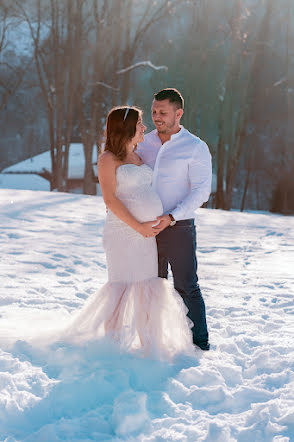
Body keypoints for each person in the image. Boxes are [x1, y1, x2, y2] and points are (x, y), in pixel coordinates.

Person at [60, 106, 194, 361]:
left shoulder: (138, 156)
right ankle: (113, 346)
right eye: (141, 123)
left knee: (147, 286)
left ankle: (148, 344)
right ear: (127, 128)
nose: (145, 127)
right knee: (121, 286)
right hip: (124, 234)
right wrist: (139, 226)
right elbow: (110, 199)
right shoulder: (108, 159)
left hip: (146, 237)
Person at [136, 88, 212, 351]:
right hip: (145, 227)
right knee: (149, 285)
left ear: (178, 113)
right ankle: (151, 341)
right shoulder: (143, 143)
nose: (157, 117)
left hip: (179, 227)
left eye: (163, 113)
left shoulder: (195, 147)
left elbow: (201, 190)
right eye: (154, 111)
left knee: (186, 286)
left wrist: (172, 216)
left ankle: (199, 344)